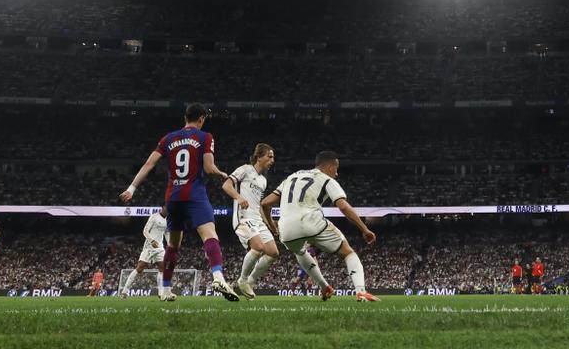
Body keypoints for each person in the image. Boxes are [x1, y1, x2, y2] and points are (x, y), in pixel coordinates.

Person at [119, 102, 240, 302]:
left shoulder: (168, 138)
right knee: (209, 234)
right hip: (195, 195)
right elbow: (209, 169)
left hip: (173, 197)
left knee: (173, 246)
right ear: (201, 119)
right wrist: (221, 174)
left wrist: (131, 188)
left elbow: (150, 163)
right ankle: (218, 277)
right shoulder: (205, 137)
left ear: (185, 118)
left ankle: (165, 290)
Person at [261, 150, 378, 303]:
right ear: (330, 166)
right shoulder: (326, 179)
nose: (336, 174)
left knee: (299, 251)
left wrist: (272, 225)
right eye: (336, 169)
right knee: (348, 253)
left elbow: (265, 203)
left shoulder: (292, 176)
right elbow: (343, 206)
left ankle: (324, 287)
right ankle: (361, 291)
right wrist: (364, 229)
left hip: (286, 228)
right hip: (311, 220)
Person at [222, 143, 279, 300]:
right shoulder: (245, 169)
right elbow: (226, 185)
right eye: (269, 156)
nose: (272, 160)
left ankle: (251, 280)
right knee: (258, 247)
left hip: (257, 219)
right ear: (259, 157)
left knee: (273, 253)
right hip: (244, 218)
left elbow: (260, 205)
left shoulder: (262, 180)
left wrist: (270, 223)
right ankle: (243, 279)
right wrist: (239, 197)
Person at [120, 207, 167, 298]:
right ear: (163, 208)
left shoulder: (167, 220)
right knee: (139, 268)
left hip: (160, 247)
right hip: (149, 247)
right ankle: (124, 292)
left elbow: (166, 233)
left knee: (163, 269)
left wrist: (169, 244)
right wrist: (151, 241)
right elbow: (145, 231)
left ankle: (161, 293)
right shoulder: (154, 217)